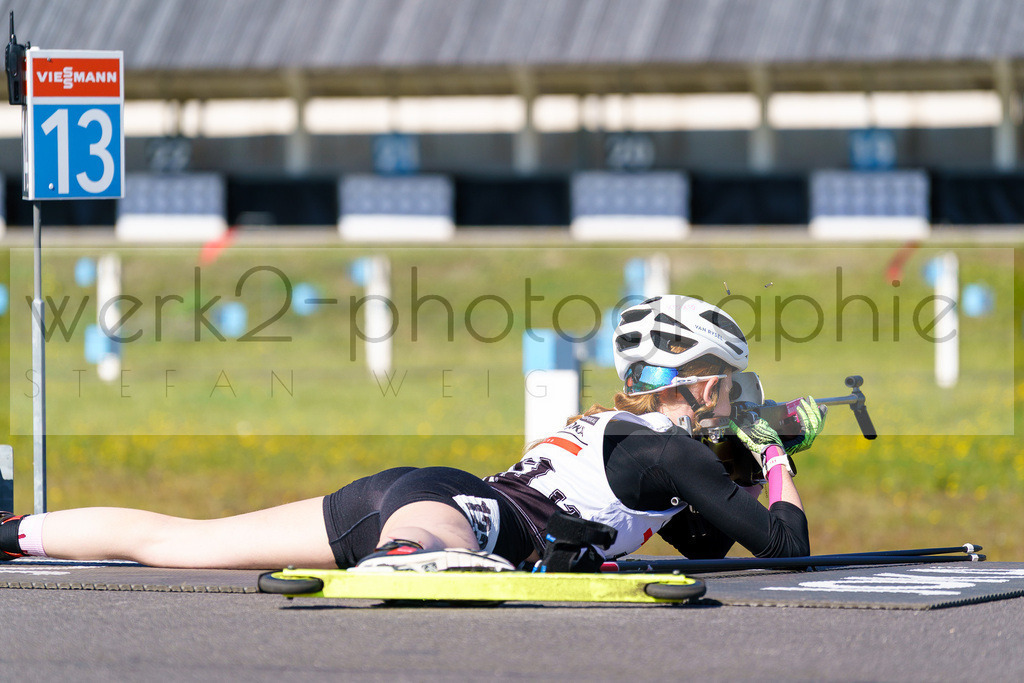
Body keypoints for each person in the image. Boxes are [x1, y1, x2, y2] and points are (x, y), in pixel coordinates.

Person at [0, 295, 820, 572]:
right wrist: (777, 451)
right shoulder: (668, 449)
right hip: (461, 512)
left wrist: (740, 471)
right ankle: (403, 558)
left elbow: (712, 543)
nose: (737, 402)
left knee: (185, 541)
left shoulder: (643, 450)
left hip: (413, 488)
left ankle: (19, 532)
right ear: (706, 382)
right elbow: (786, 545)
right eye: (733, 388)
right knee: (427, 552)